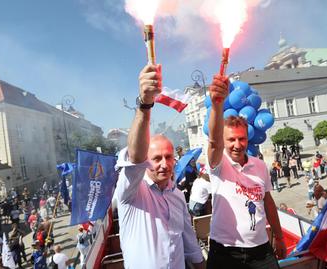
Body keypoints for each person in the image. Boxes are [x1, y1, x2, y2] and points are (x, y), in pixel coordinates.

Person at [113, 64, 204, 268]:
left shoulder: (178, 195)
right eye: (156, 158)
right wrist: (145, 105)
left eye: (168, 157)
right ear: (146, 161)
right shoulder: (132, 193)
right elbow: (135, 158)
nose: (164, 164)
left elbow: (189, 241)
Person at [206, 74, 286, 268]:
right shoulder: (218, 164)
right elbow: (214, 143)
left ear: (248, 139)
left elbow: (268, 202)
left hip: (261, 250)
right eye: (231, 139)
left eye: (241, 139)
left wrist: (280, 236)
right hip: (225, 252)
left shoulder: (259, 165)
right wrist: (217, 104)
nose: (237, 145)